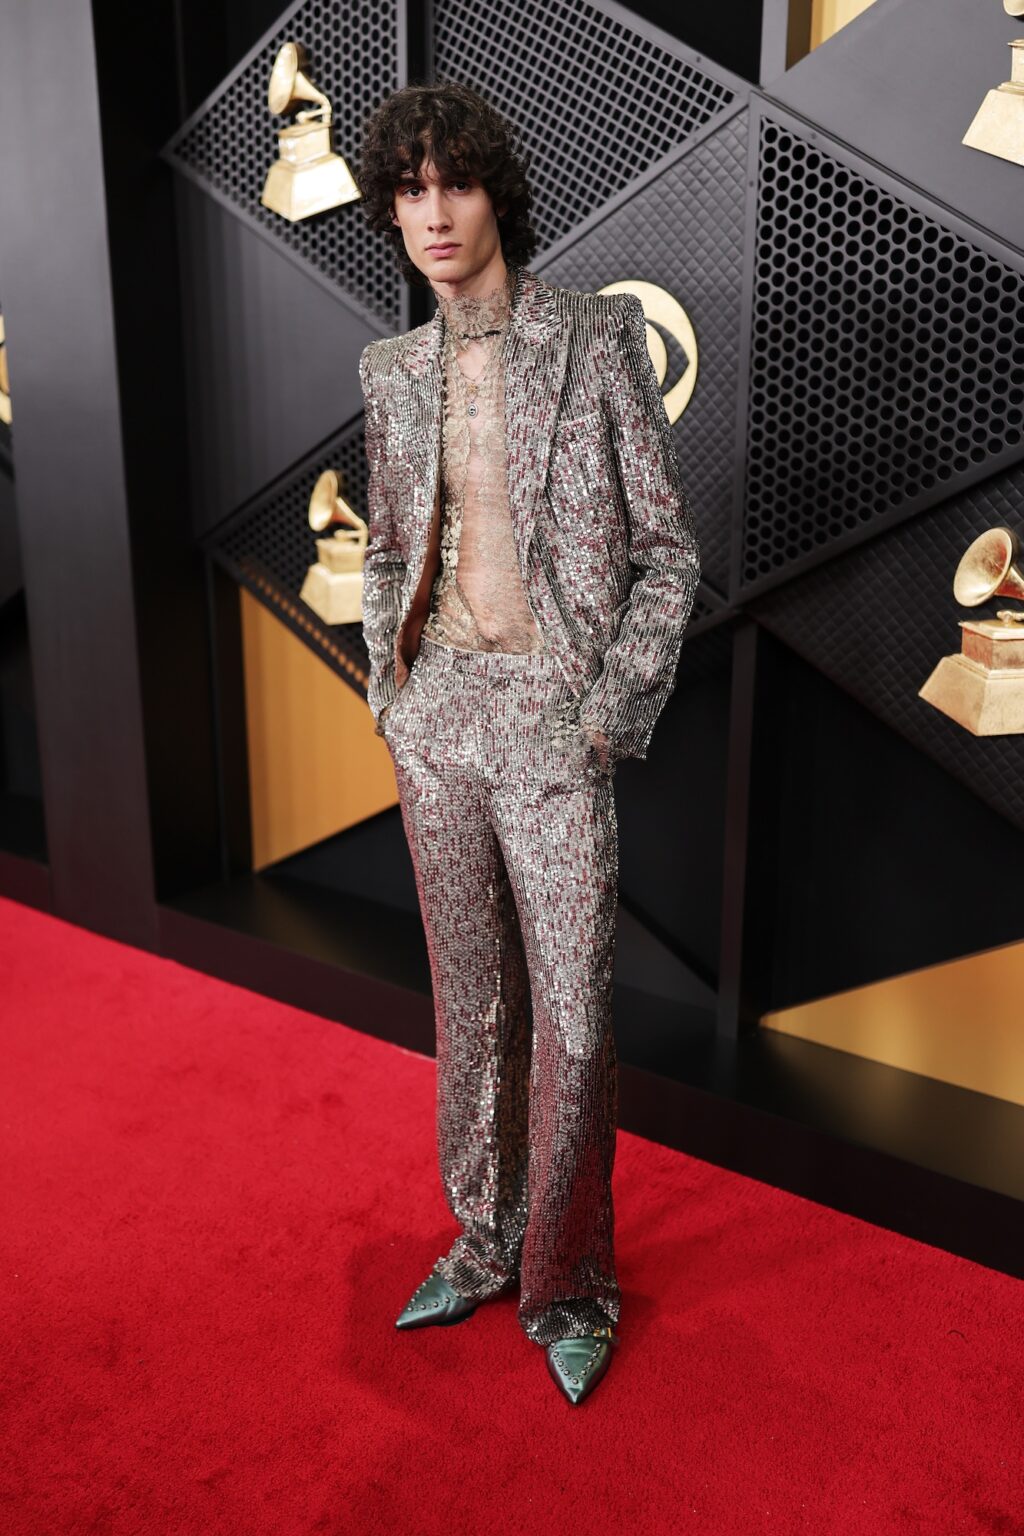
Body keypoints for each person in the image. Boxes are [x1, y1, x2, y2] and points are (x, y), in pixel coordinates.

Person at [356, 80, 700, 1405]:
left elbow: (667, 555)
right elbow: (388, 549)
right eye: (410, 192)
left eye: (455, 184)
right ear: (394, 213)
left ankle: (569, 1279)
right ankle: (486, 1238)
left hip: (556, 720)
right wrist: (391, 692)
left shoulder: (596, 338)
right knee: (473, 1008)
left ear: (496, 193)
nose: (434, 214)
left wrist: (608, 708)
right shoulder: (390, 372)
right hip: (437, 717)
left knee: (574, 1013)